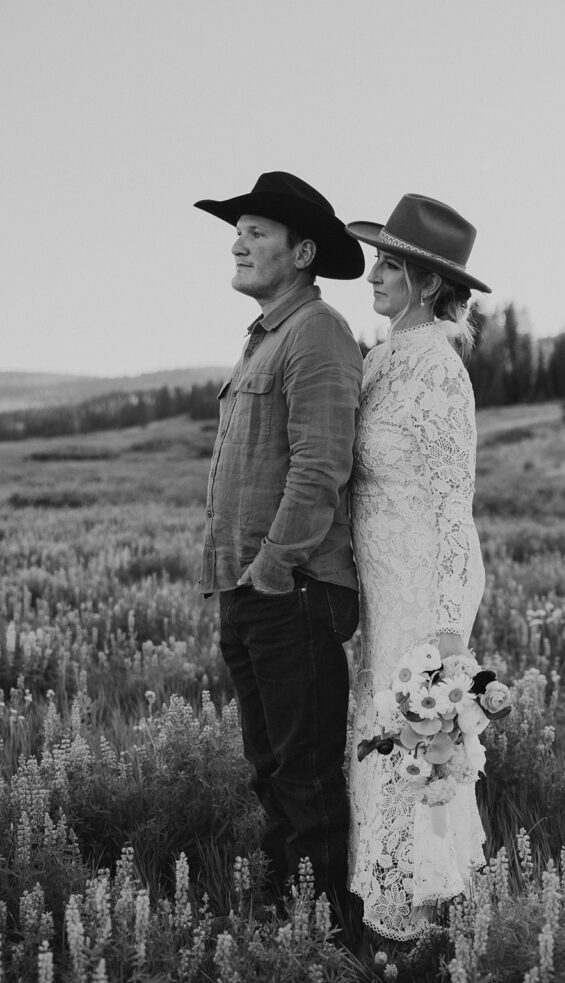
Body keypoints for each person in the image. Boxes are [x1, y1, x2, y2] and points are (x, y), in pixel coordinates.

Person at [194, 171, 365, 913]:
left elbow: (321, 463)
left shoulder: (318, 331)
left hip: (289, 589)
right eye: (239, 230)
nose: (237, 241)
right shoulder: (265, 336)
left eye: (255, 232)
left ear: (301, 253)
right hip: (249, 588)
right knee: (270, 770)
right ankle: (285, 918)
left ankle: (321, 939)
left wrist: (271, 568)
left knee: (302, 774)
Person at [344, 193, 492, 939]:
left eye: (389, 265)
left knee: (405, 730)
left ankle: (407, 920)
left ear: (428, 284)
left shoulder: (438, 370)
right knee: (370, 738)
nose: (373, 275)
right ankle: (375, 903)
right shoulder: (382, 357)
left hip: (416, 589)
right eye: (377, 260)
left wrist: (445, 631)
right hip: (374, 582)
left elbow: (450, 508)